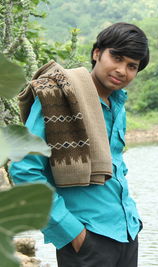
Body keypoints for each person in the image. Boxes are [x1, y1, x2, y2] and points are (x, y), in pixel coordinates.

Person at [10, 22, 149, 267]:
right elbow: (24, 168)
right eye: (116, 58)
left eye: (132, 66)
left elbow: (116, 165)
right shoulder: (60, 97)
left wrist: (132, 220)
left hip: (126, 232)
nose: (121, 70)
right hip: (87, 240)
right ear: (97, 53)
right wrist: (72, 232)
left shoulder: (117, 104)